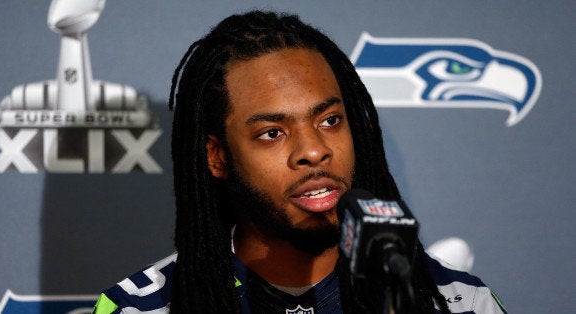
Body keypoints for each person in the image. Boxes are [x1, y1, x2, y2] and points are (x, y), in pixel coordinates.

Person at [92, 11, 507, 314]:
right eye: (272, 132)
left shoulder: (459, 302)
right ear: (217, 158)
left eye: (329, 120)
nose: (314, 150)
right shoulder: (140, 309)